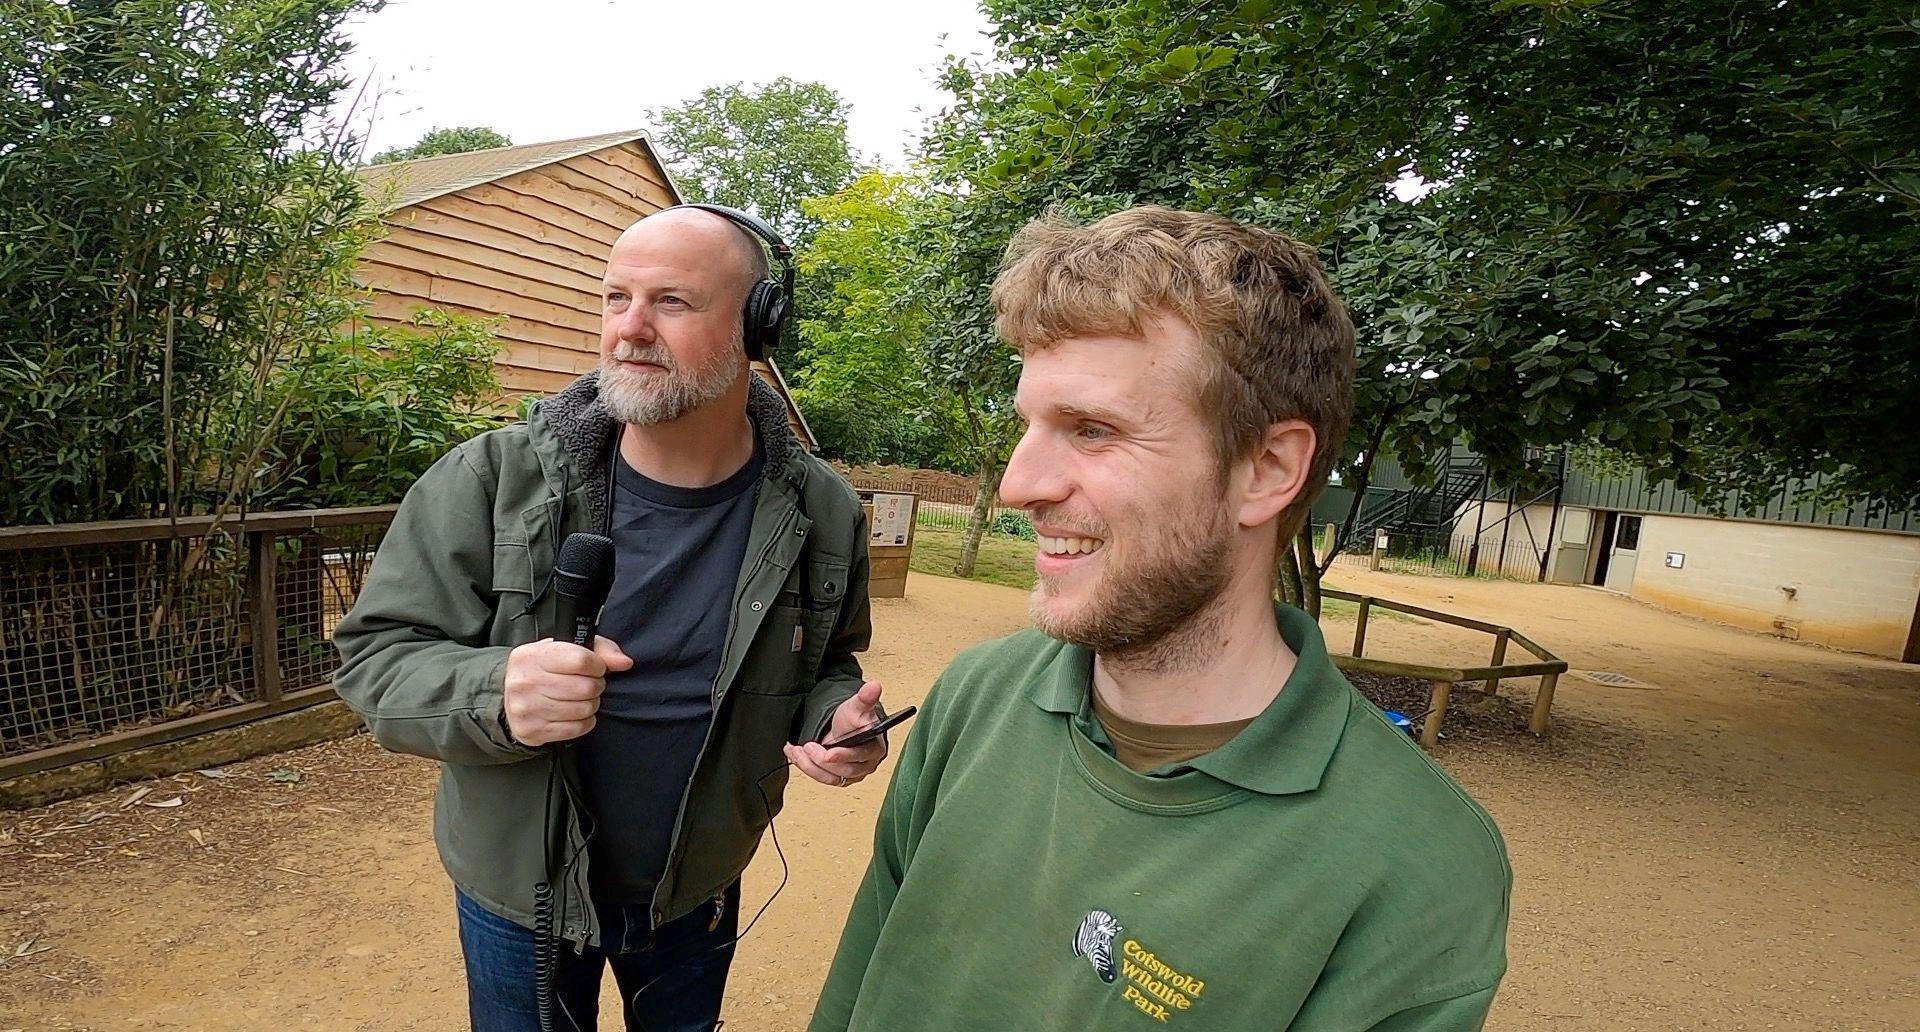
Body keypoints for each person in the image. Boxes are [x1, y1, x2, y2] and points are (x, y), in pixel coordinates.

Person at [810, 206, 1510, 1031]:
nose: (1018, 485)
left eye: (1094, 430)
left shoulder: (1417, 864)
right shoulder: (977, 697)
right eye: (1028, 426)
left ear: (1268, 468)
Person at [335, 204, 890, 1032]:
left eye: (672, 301)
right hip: (517, 884)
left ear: (757, 328)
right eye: (614, 298)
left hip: (696, 880)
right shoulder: (489, 480)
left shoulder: (822, 509)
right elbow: (373, 660)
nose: (629, 329)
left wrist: (834, 720)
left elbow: (828, 662)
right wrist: (496, 691)